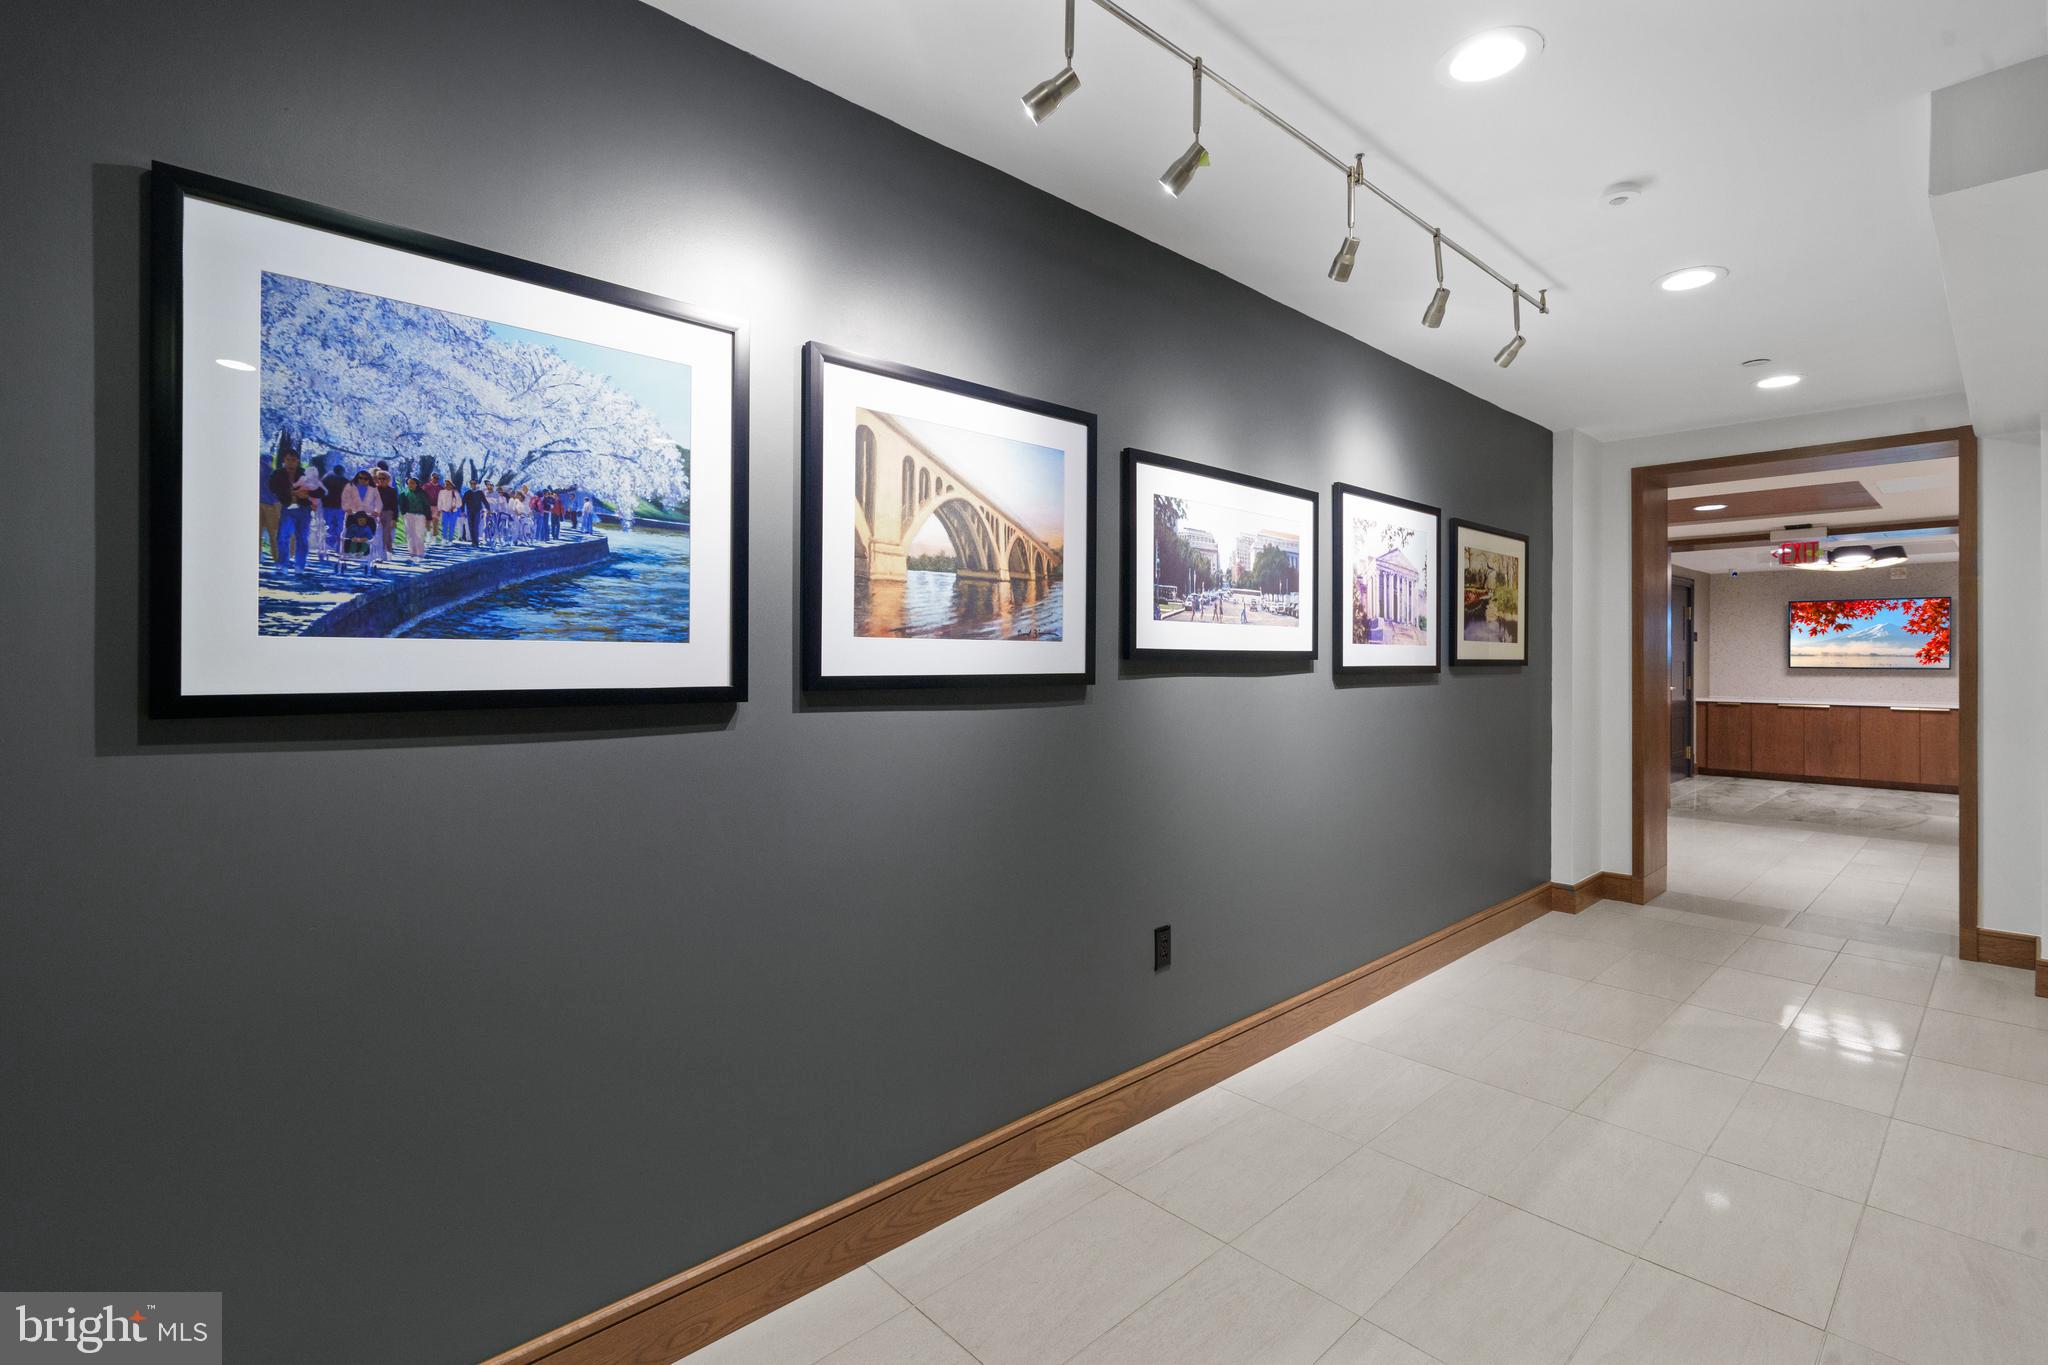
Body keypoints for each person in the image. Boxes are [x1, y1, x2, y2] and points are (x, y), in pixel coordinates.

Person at [267, 441, 315, 573]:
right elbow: (273, 488)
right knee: (283, 537)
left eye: (293, 460)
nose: (290, 463)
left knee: (302, 538)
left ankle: (299, 566)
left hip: (304, 508)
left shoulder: (305, 473)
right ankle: (282, 565)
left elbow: (315, 490)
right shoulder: (278, 474)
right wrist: (293, 493)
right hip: (287, 507)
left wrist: (308, 496)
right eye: (288, 460)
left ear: (298, 461)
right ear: (284, 460)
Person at [341, 470, 383, 570]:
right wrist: (347, 508)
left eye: (365, 479)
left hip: (368, 515)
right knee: (350, 532)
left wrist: (377, 511)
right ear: (357, 478)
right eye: (360, 478)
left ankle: (365, 553)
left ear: (369, 479)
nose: (362, 480)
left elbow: (378, 501)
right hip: (353, 513)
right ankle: (348, 552)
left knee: (367, 534)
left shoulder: (373, 489)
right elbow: (345, 498)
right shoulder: (350, 486)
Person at [321, 464, 349, 565]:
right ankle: (337, 546)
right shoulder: (345, 481)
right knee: (339, 526)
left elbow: (321, 492)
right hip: (339, 507)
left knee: (328, 526)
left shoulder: (326, 479)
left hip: (328, 506)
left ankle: (330, 543)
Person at [399, 476, 431, 562]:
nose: (410, 485)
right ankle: (412, 553)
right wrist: (404, 513)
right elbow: (401, 504)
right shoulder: (404, 493)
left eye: (412, 483)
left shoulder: (422, 493)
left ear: (416, 484)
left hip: (420, 516)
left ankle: (420, 554)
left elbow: (426, 506)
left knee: (419, 535)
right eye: (409, 483)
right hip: (409, 515)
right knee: (410, 535)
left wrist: (428, 518)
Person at [258, 450, 281, 563]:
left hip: (258, 505)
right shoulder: (273, 474)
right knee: (274, 533)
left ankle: (258, 556)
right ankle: (277, 558)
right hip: (270, 506)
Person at [373, 466, 398, 560]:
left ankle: (387, 553)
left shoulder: (392, 491)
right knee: (377, 534)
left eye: (383, 478)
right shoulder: (375, 489)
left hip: (388, 513)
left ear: (388, 480)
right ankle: (379, 554)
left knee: (387, 535)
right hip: (377, 513)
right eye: (379, 478)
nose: (381, 480)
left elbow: (395, 505)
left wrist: (394, 519)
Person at [462, 480, 487, 547]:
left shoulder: (480, 492)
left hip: (477, 511)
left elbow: (484, 501)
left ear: (476, 484)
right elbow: (463, 502)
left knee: (476, 526)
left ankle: (476, 542)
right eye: (471, 483)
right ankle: (473, 541)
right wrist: (463, 511)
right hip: (469, 511)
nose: (473, 484)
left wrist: (488, 509)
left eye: (474, 483)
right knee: (471, 526)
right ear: (470, 484)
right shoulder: (467, 493)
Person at [437, 479, 463, 545]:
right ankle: (444, 539)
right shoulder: (441, 492)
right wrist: (439, 510)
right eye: (446, 484)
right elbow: (439, 502)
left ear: (451, 485)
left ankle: (450, 540)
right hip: (444, 511)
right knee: (444, 526)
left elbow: (459, 503)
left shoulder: (455, 492)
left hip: (453, 512)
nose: (446, 485)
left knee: (452, 526)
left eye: (448, 484)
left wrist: (455, 506)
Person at [422, 473, 444, 541]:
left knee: (435, 522)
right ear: (431, 477)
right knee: (427, 521)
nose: (436, 479)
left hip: (437, 507)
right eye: (434, 477)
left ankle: (434, 537)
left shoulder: (440, 488)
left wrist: (440, 508)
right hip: (428, 506)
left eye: (437, 478)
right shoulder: (426, 486)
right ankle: (428, 535)